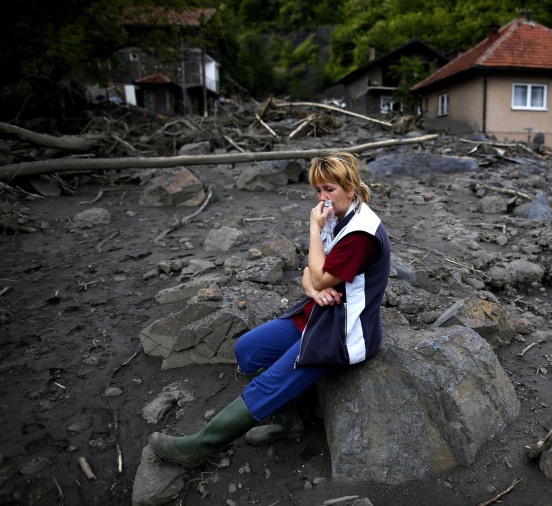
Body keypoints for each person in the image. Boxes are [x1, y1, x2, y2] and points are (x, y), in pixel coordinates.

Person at [148, 152, 391, 468]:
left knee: (268, 383)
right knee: (248, 350)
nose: (322, 198)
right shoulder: (340, 216)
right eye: (318, 191)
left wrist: (313, 233)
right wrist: (311, 288)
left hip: (343, 331)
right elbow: (309, 274)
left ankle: (199, 447)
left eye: (329, 189)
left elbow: (317, 272)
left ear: (349, 186)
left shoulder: (361, 231)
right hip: (319, 311)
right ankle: (288, 422)